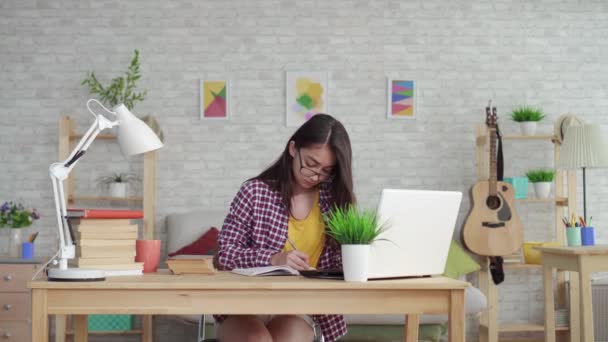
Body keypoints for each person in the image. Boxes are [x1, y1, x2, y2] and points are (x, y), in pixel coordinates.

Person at [213, 114, 356, 342]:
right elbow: (224, 255)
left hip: (299, 307)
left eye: (326, 170)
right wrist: (273, 259)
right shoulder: (255, 192)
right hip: (245, 305)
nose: (315, 176)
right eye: (310, 164)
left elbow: (344, 265)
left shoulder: (335, 201)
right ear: (293, 149)